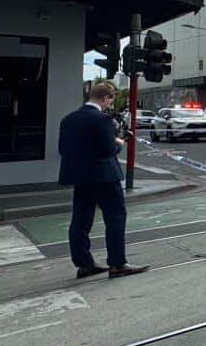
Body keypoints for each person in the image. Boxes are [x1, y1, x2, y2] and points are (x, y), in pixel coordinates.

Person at [59, 83, 148, 279]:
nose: (110, 105)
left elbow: (62, 149)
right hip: (104, 176)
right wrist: (119, 142)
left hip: (80, 178)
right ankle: (117, 263)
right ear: (105, 98)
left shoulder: (68, 119)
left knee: (80, 220)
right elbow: (108, 150)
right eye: (110, 101)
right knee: (115, 217)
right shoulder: (102, 119)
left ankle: (84, 264)